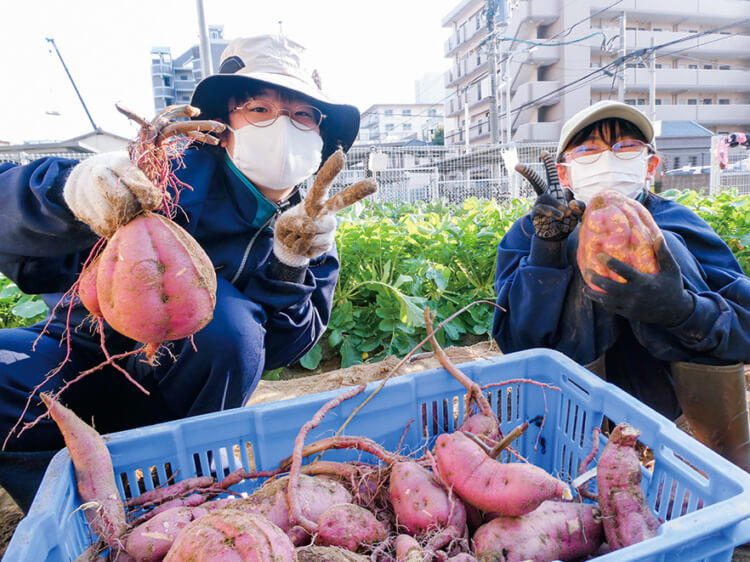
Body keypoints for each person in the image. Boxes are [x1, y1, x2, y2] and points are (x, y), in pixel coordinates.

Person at [0, 34, 362, 512]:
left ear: (319, 134)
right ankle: (77, 515)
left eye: (302, 115)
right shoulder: (166, 172)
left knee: (225, 326)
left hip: (180, 402)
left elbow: (283, 348)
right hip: (86, 357)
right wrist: (71, 193)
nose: (283, 126)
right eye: (259, 108)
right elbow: (11, 217)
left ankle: (167, 495)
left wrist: (288, 266)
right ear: (225, 123)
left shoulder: (310, 225)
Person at [493, 100, 750, 471]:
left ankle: (726, 463)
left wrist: (683, 310)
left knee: (669, 246)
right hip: (572, 415)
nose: (608, 160)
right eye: (589, 150)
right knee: (573, 245)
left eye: (625, 147)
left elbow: (744, 327)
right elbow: (516, 342)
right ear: (564, 174)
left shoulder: (677, 222)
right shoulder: (533, 231)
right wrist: (547, 251)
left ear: (650, 165)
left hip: (675, 418)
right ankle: (574, 457)